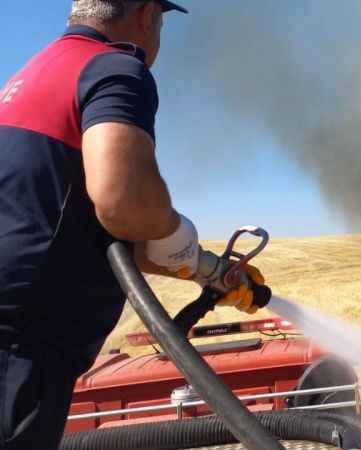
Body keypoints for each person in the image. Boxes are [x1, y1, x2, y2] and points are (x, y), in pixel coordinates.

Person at [0, 1, 266, 448]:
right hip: (23, 348)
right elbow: (124, 204)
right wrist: (181, 236)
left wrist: (210, 271)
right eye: (160, 22)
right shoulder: (115, 67)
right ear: (146, 16)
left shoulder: (31, 74)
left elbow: (100, 232)